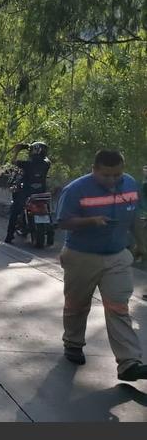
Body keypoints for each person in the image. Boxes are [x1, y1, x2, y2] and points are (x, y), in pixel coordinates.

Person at [55, 149, 147, 381]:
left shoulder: (130, 185)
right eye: (106, 175)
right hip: (81, 256)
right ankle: (73, 343)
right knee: (77, 304)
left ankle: (129, 362)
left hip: (117, 256)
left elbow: (135, 218)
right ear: (94, 169)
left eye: (117, 175)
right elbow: (63, 221)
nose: (113, 180)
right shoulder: (76, 189)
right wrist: (90, 221)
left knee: (119, 308)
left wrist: (142, 245)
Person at [4, 141, 51, 243]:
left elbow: (13, 162)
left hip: (26, 193)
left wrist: (17, 150)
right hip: (41, 194)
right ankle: (50, 235)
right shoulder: (47, 163)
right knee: (48, 209)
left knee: (15, 211)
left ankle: (9, 236)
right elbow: (46, 158)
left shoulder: (27, 164)